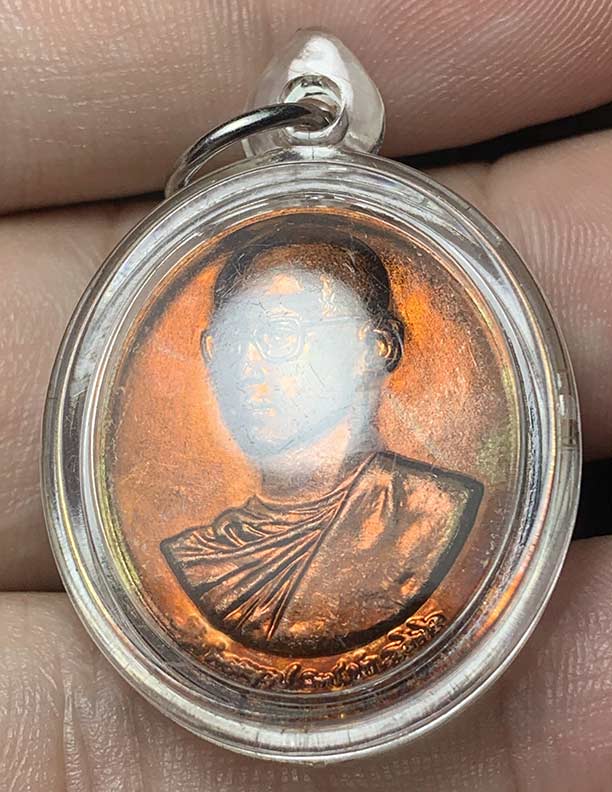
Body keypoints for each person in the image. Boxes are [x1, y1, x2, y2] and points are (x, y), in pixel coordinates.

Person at [161, 217, 483, 656]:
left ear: (375, 348)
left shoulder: (430, 514)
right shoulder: (201, 557)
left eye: (280, 333)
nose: (244, 367)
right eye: (230, 340)